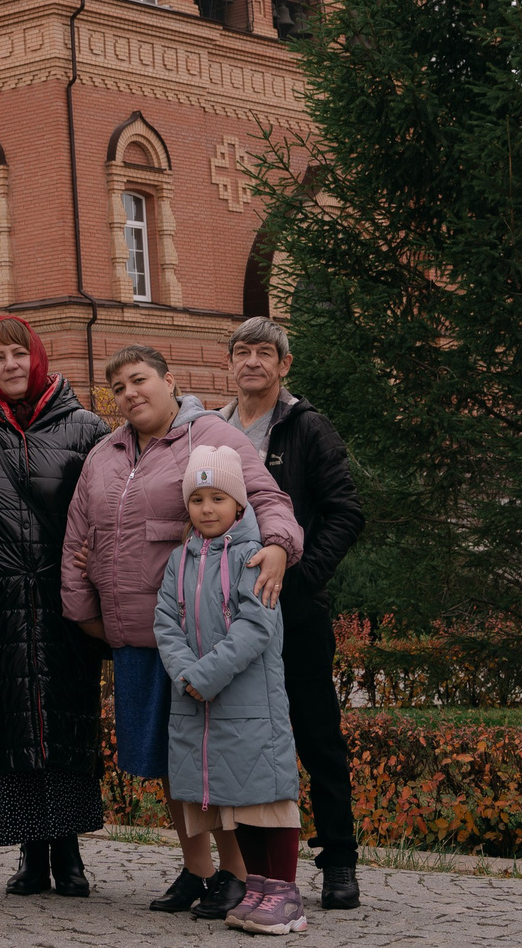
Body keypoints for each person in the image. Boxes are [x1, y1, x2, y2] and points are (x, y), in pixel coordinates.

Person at [62, 346, 300, 923]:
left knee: (217, 757)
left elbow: (267, 496)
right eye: (118, 387)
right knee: (175, 761)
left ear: (170, 381)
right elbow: (77, 535)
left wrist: (276, 547)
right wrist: (83, 609)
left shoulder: (209, 436)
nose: (129, 394)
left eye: (139, 380)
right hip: (141, 638)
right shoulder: (104, 452)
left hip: (205, 637)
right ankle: (198, 868)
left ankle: (238, 874)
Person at [219, 317, 365, 911]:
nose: (252, 362)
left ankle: (339, 862)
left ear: (284, 365)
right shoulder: (212, 430)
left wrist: (301, 576)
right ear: (229, 363)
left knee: (316, 735)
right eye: (242, 352)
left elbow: (345, 513)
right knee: (245, 740)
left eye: (264, 353)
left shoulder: (308, 429)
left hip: (297, 613)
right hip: (229, 615)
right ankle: (249, 872)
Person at [0, 316, 110, 898]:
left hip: (65, 601)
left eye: (18, 354)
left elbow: (107, 515)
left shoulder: (86, 429)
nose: (10, 365)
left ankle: (71, 854)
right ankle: (31, 853)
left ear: (38, 358)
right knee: (13, 724)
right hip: (0, 602)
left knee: (66, 722)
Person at [154, 444, 306, 937]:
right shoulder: (180, 560)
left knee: (267, 800)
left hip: (248, 705)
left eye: (217, 498)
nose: (206, 509)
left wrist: (206, 675)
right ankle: (257, 886)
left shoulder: (253, 555)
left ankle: (285, 897)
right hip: (200, 704)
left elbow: (255, 626)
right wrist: (186, 674)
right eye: (197, 499)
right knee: (236, 805)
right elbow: (165, 624)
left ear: (239, 504)